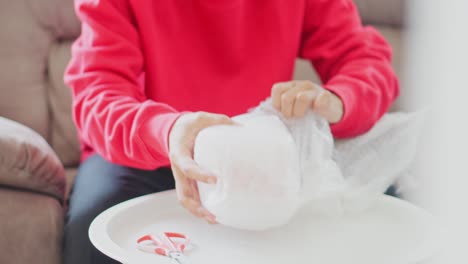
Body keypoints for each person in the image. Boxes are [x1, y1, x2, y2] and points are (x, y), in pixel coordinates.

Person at [63, 0, 399, 263]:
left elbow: (367, 62)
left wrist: (338, 101)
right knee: (91, 226)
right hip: (147, 155)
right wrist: (167, 130)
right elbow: (97, 95)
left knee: (384, 205)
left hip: (263, 161)